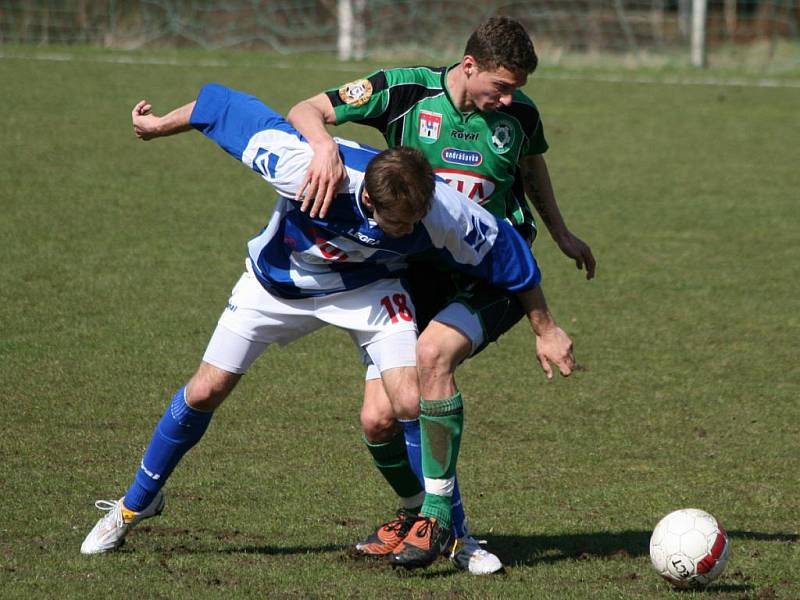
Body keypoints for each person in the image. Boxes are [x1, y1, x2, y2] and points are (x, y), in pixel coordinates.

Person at [80, 83, 576, 570]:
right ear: (370, 203)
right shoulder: (300, 166)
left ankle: (448, 529)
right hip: (279, 284)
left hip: (371, 290)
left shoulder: (437, 208)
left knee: (407, 401)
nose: (412, 232)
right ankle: (134, 504)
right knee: (205, 390)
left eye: (415, 223)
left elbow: (509, 254)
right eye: (399, 226)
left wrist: (545, 326)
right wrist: (157, 125)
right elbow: (220, 105)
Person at [287, 15, 596, 574]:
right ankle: (418, 516)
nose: (507, 100)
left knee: (434, 355)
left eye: (516, 90)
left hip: (496, 277)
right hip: (417, 273)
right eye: (500, 86)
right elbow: (309, 109)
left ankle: (444, 523)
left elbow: (530, 168)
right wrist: (323, 149)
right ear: (469, 64)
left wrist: (560, 234)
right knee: (379, 420)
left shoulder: (518, 116)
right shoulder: (405, 92)